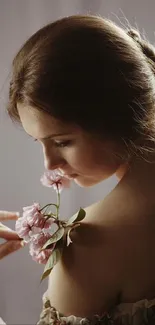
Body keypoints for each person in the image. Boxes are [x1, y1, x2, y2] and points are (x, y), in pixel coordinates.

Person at [7, 14, 155, 324]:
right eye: (39, 142)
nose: (50, 165)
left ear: (113, 116)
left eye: (62, 141)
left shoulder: (90, 245)